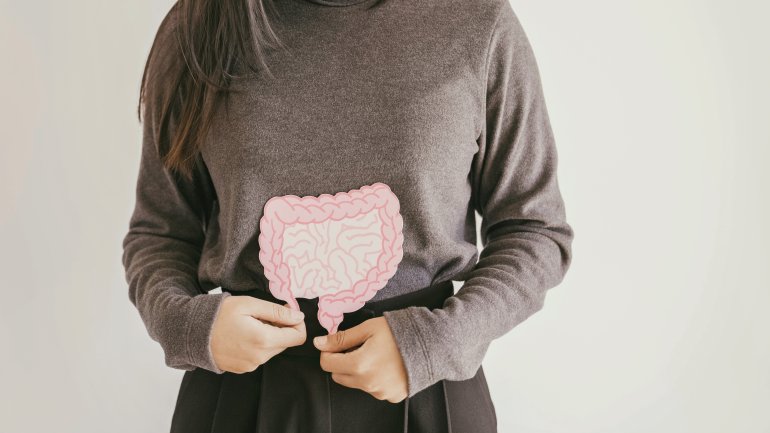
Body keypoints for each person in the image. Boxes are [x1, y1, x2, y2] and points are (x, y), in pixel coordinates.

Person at [121, 0, 574, 431]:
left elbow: (535, 229)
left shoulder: (477, 20)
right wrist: (187, 324)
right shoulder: (196, 27)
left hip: (426, 390)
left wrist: (438, 343)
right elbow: (160, 233)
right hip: (244, 394)